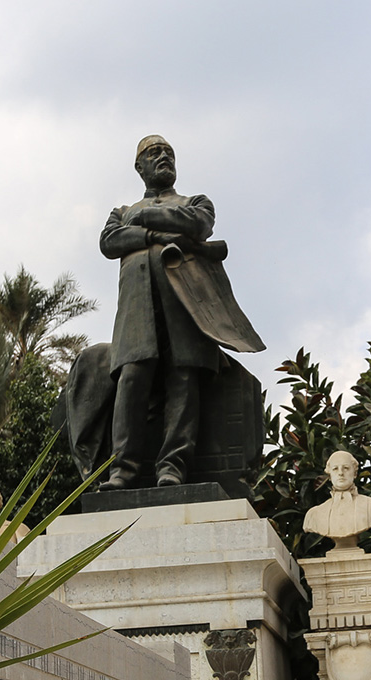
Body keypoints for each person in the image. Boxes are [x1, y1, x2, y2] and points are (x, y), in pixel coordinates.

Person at [99, 135, 264, 490]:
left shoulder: (195, 202)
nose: (163, 157)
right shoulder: (120, 212)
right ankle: (122, 470)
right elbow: (109, 241)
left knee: (183, 378)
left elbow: (198, 224)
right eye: (153, 153)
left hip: (186, 304)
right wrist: (158, 232)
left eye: (168, 153)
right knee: (132, 379)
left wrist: (145, 220)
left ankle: (172, 466)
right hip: (137, 309)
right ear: (138, 166)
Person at [303, 451, 371, 549]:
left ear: (354, 473)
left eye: (346, 468)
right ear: (330, 475)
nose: (341, 473)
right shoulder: (314, 515)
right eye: (335, 469)